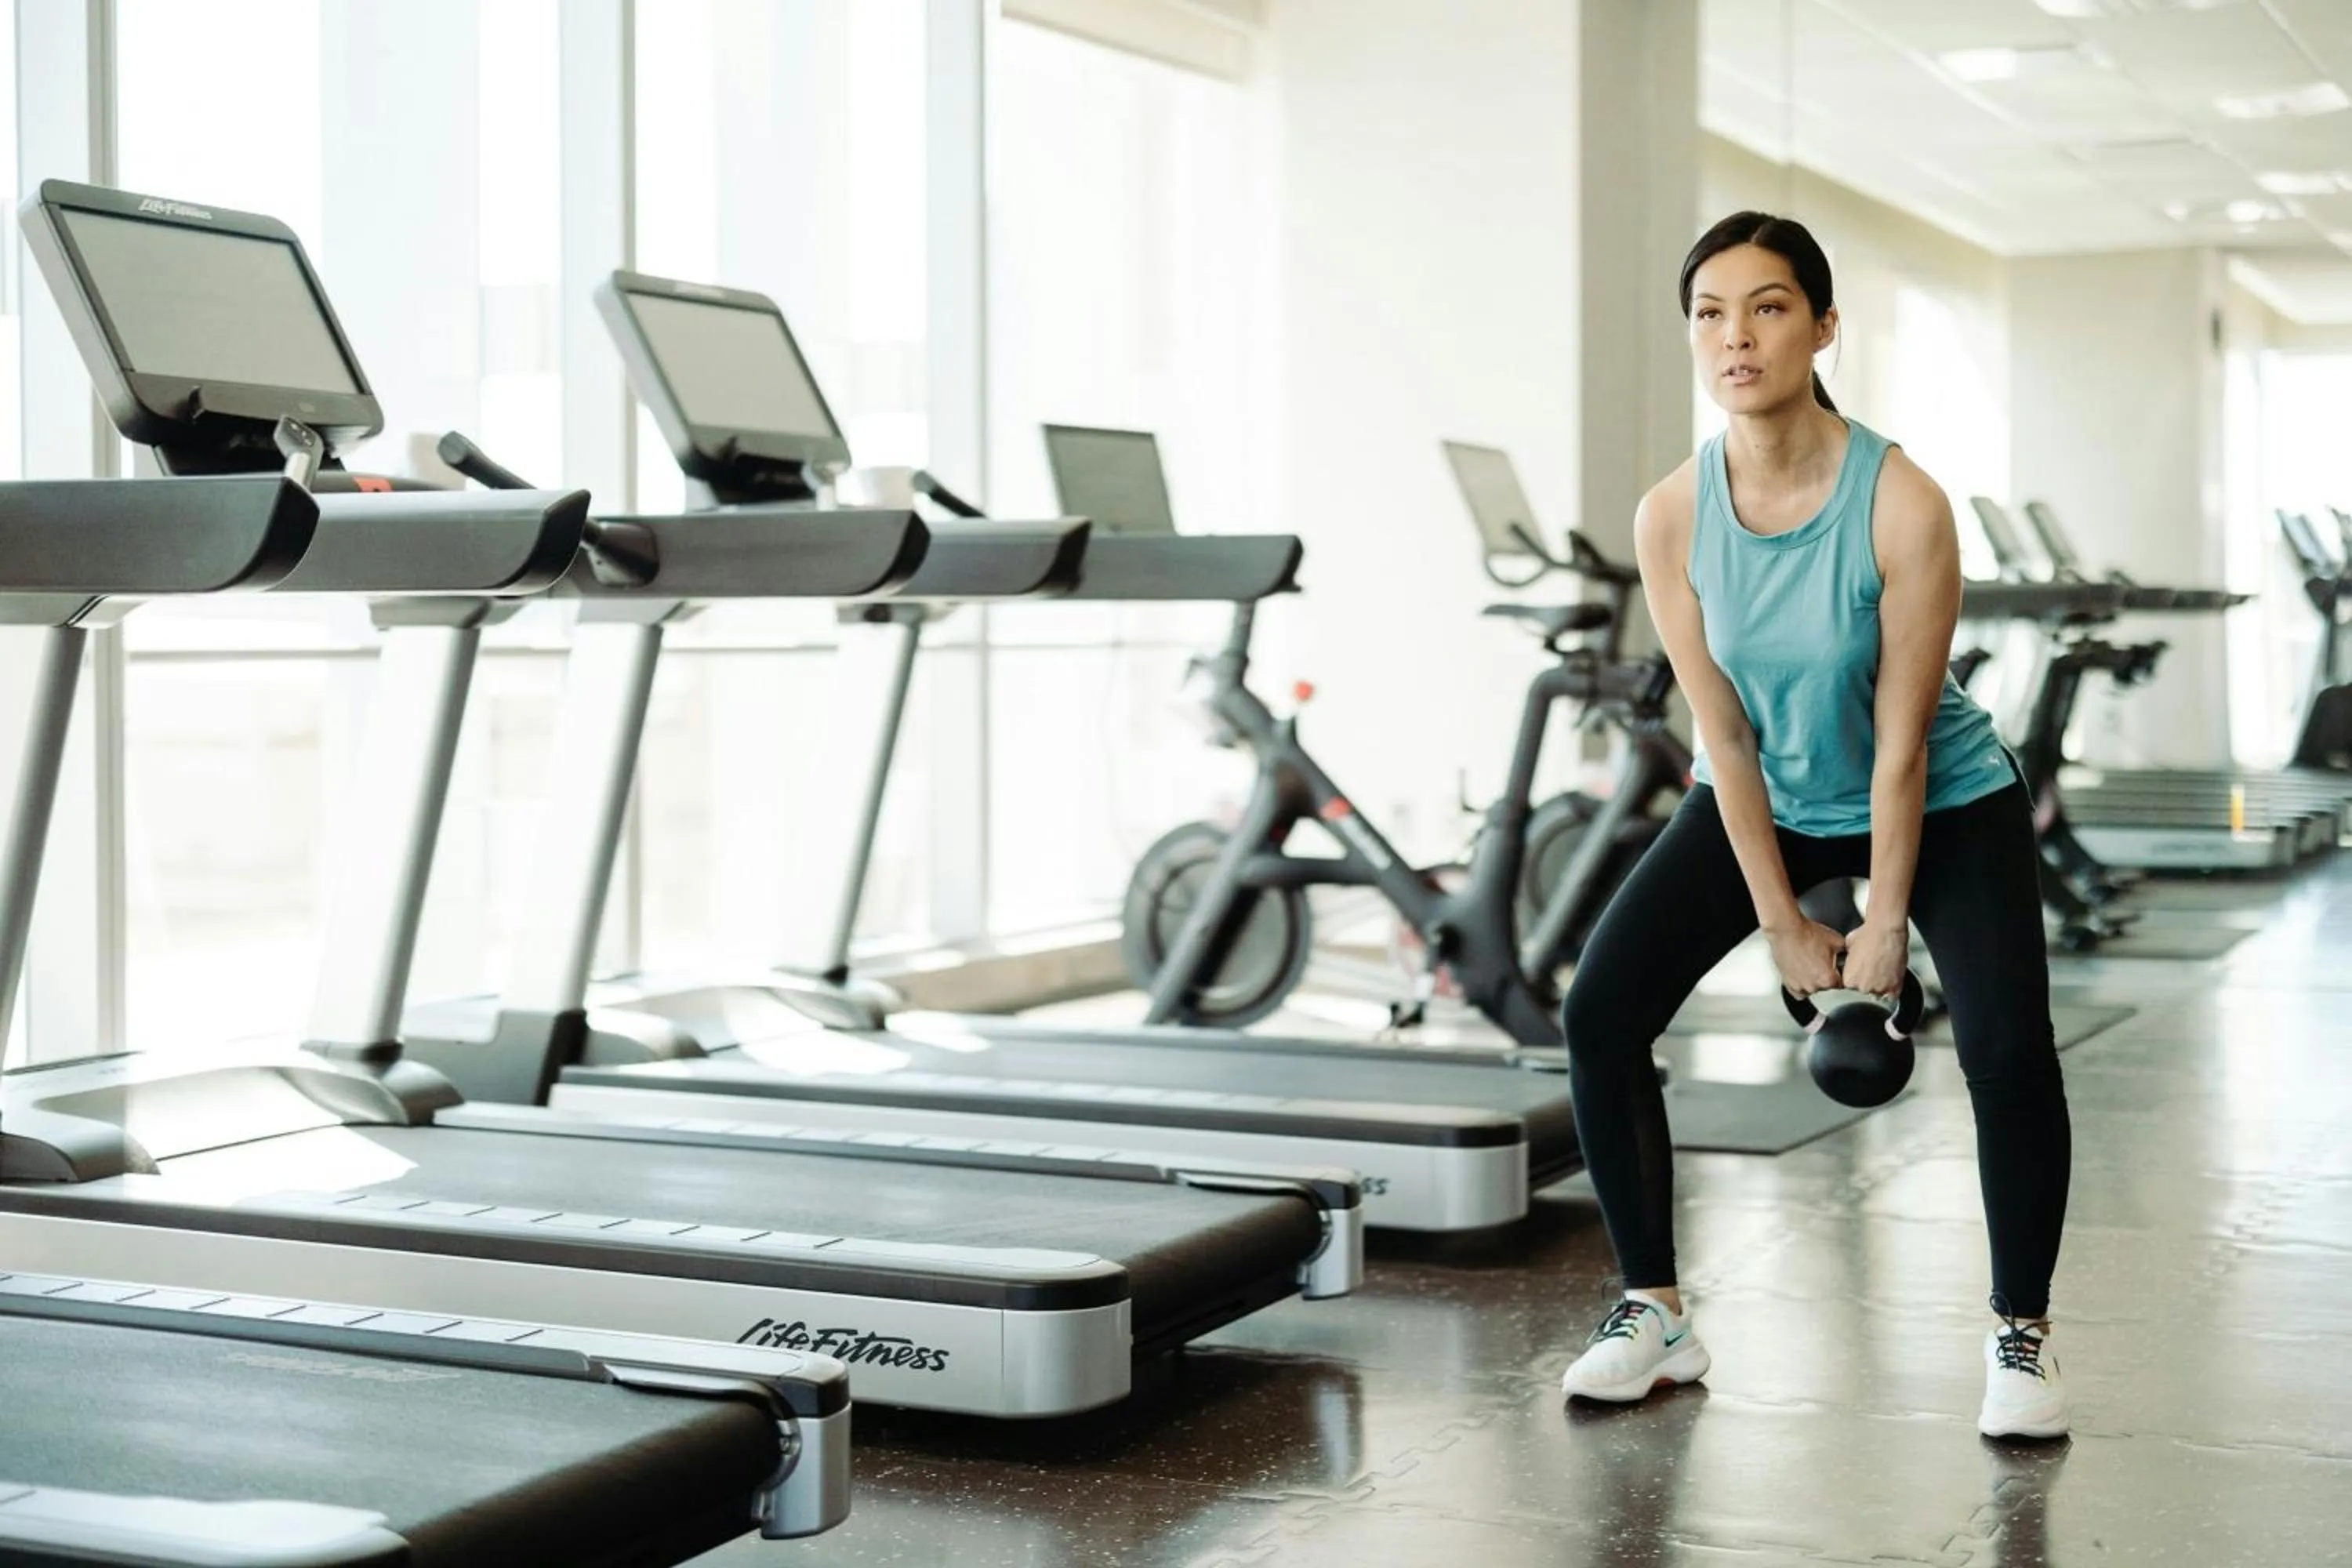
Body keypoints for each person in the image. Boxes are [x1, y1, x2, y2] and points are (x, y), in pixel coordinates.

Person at [1554, 211, 2073, 1442]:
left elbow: (1899, 741)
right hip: (1769, 802)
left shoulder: (1903, 502)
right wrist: (1781, 922)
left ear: (1824, 326)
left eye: (1769, 307)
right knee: (1599, 1010)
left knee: (2006, 1047)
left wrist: (1886, 919)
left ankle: (2024, 1336)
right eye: (1710, 313)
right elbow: (1721, 739)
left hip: (1943, 796)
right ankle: (1656, 1314)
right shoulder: (1672, 515)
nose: (1736, 336)